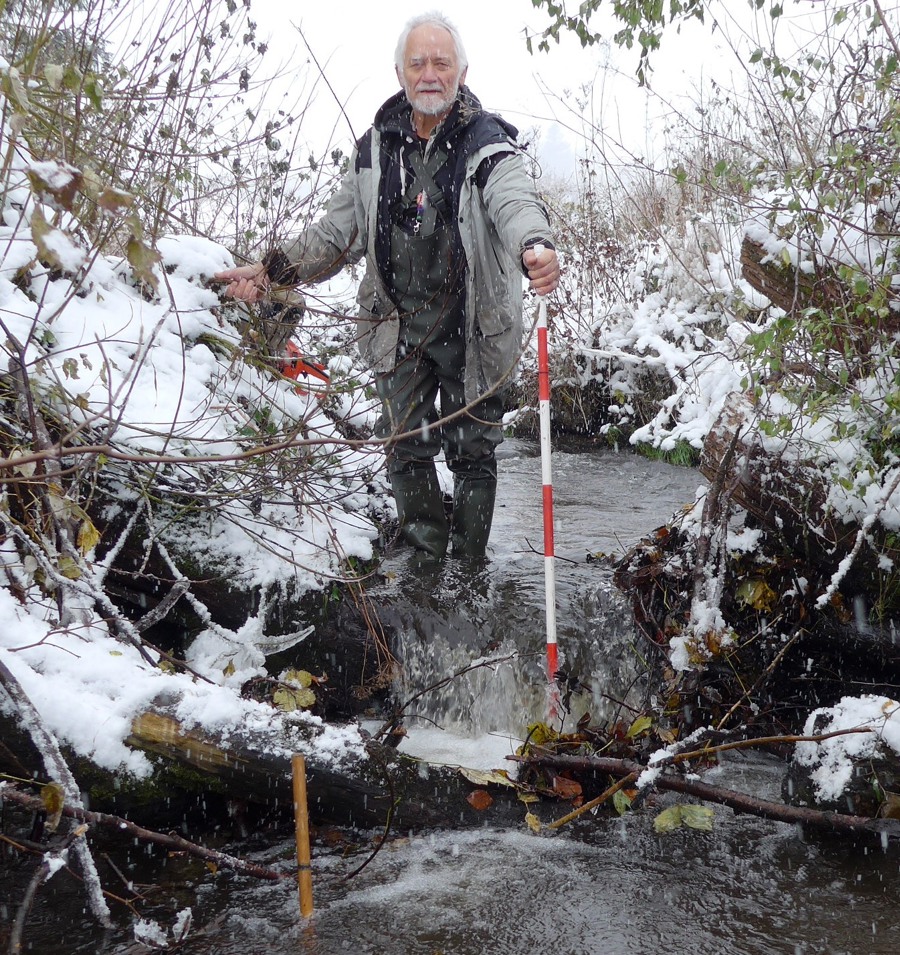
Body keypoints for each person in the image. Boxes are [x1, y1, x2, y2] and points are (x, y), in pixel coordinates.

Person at [216, 11, 560, 560]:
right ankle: (427, 566)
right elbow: (337, 233)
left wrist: (534, 245)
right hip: (396, 328)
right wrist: (270, 271)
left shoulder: (487, 145)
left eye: (441, 63)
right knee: (404, 447)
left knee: (473, 453)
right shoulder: (374, 151)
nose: (429, 73)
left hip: (475, 329)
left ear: (462, 71)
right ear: (399, 73)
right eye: (417, 63)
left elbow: (513, 200)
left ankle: (468, 571)